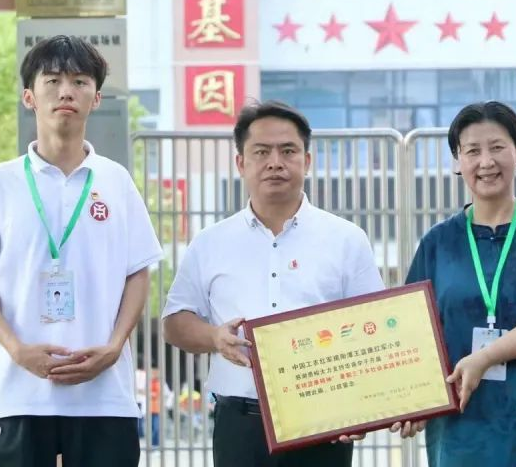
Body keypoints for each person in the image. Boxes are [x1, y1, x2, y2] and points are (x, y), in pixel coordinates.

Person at [0, 35, 164, 466]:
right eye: (52, 81)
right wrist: (16, 349)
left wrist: (114, 347)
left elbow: (138, 273)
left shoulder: (116, 181)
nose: (66, 91)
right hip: (20, 394)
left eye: (80, 82)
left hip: (105, 396)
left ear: (96, 97)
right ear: (29, 96)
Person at [162, 100, 385, 467]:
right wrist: (215, 337)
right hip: (240, 426)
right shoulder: (210, 242)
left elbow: (375, 327)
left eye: (288, 151)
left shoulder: (346, 239)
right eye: (261, 152)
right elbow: (174, 323)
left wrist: (365, 406)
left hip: (325, 422)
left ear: (307, 161)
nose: (275, 162)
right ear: (240, 163)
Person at [402, 101, 516, 466]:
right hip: (461, 426)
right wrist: (411, 399)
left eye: (497, 147)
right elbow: (410, 326)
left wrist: (485, 357)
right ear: (457, 161)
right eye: (472, 151)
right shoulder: (439, 243)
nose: (486, 162)